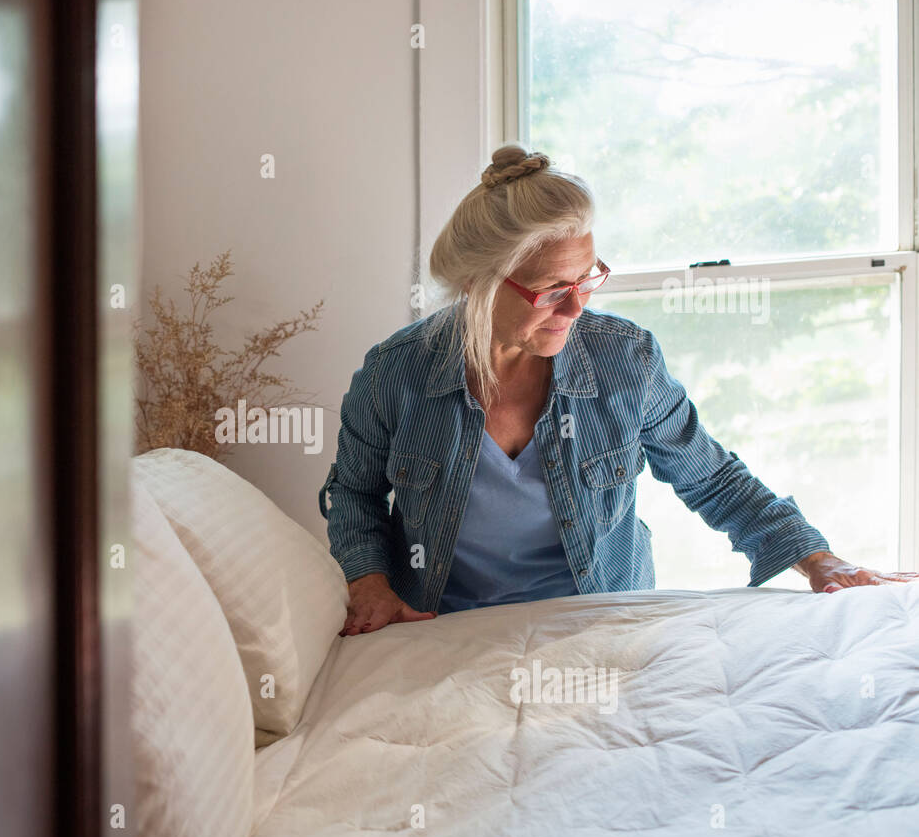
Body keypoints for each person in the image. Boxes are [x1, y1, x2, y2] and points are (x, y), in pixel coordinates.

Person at [320, 144, 918, 638]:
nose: (578, 306)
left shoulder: (623, 360)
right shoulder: (395, 373)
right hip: (444, 628)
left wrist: (819, 560)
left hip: (600, 621)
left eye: (588, 278)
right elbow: (353, 494)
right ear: (479, 285)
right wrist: (367, 581)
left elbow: (712, 479)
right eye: (554, 288)